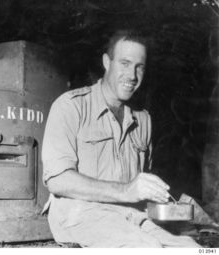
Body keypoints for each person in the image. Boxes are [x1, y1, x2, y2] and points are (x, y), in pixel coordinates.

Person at [41, 30, 201, 248]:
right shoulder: (70, 106)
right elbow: (57, 181)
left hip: (129, 213)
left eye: (139, 67)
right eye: (125, 63)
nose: (132, 75)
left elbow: (140, 185)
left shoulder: (143, 119)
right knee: (148, 248)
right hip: (79, 211)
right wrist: (127, 190)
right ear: (107, 62)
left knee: (192, 249)